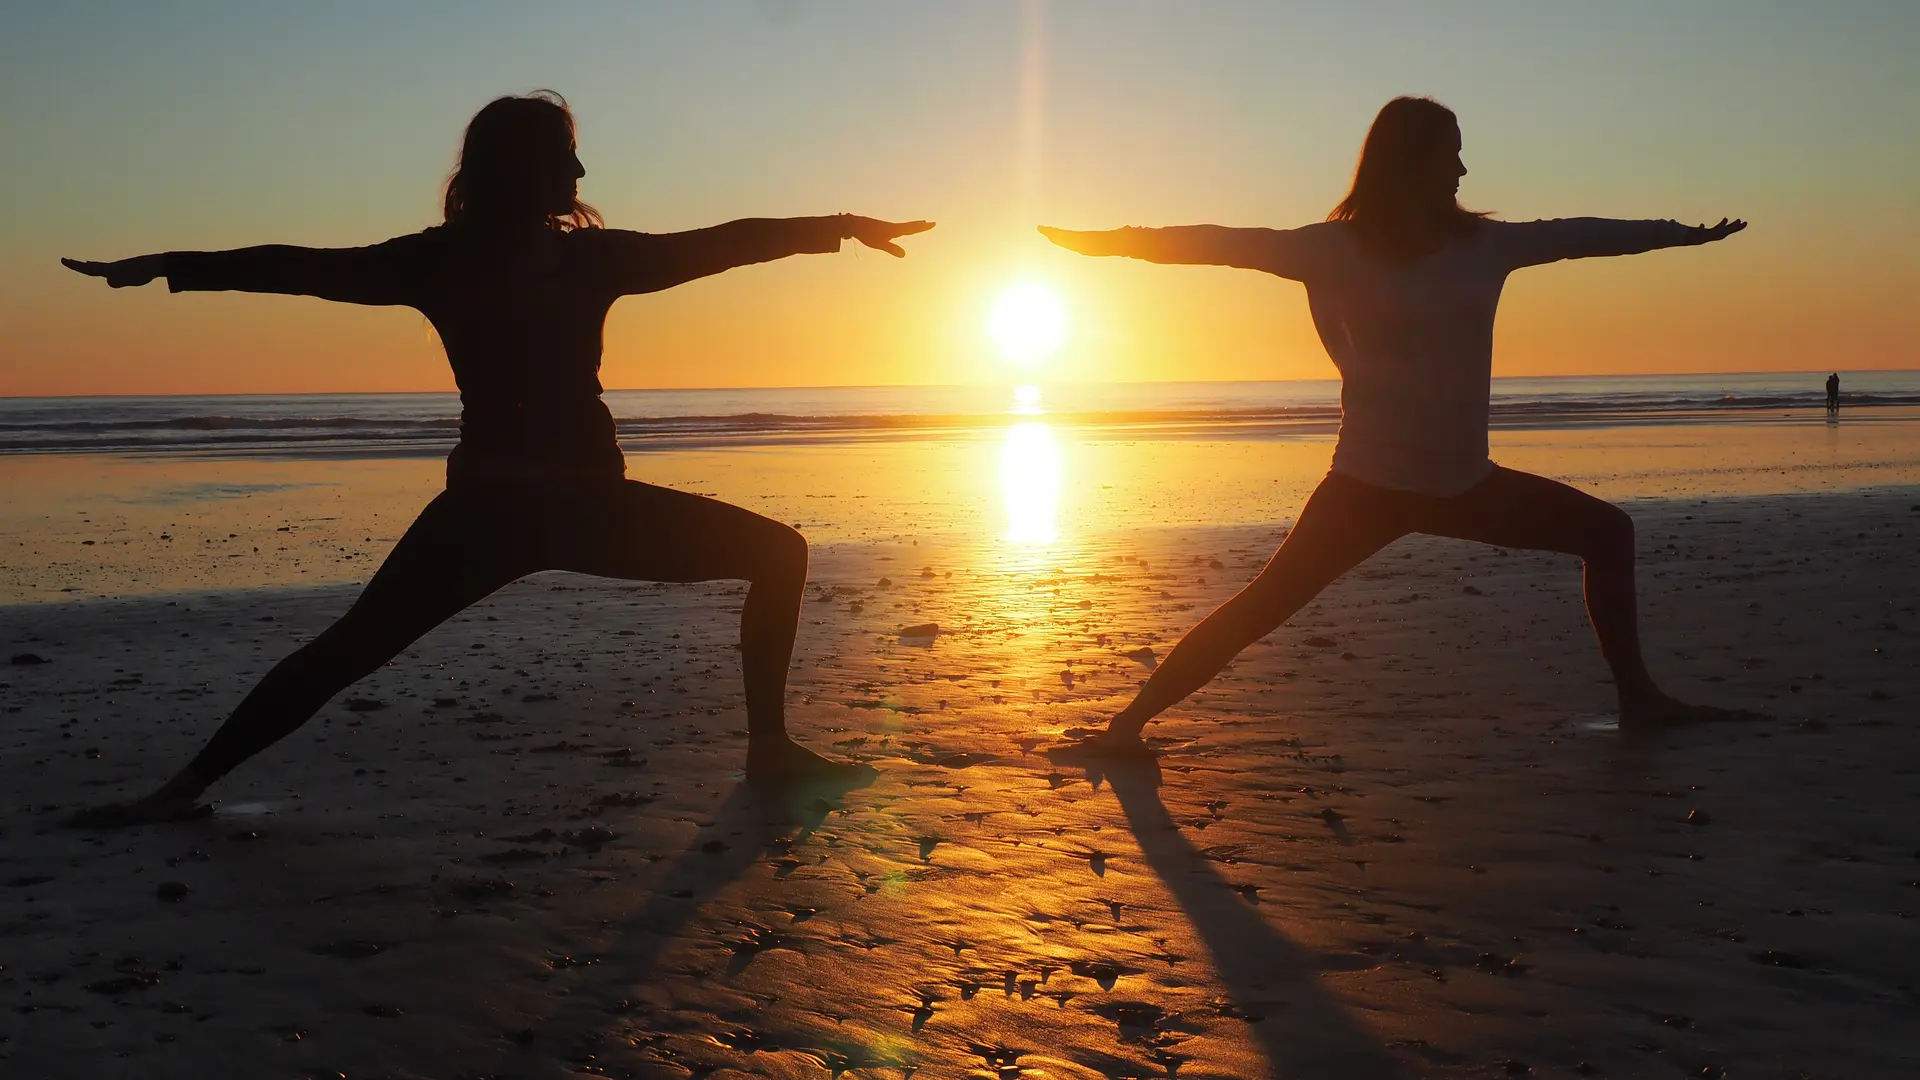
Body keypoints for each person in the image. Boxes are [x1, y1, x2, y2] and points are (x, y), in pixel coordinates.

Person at [61, 91, 931, 825]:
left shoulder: (545, 258)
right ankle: (183, 789)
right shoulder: (476, 261)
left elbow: (722, 241)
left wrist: (843, 226)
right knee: (347, 650)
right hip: (518, 512)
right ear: (524, 166)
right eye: (568, 157)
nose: (582, 176)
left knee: (777, 552)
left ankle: (771, 752)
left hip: (550, 507)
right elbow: (301, 268)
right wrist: (174, 265)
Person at [1041, 95, 1754, 759]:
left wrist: (1679, 236)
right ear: (1408, 162)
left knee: (1609, 533)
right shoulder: (1329, 249)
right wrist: (1106, 243)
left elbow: (1582, 236)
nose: (1463, 170)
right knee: (1261, 605)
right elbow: (1217, 242)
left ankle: (1640, 702)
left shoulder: (1486, 246)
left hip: (1464, 485)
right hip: (1366, 489)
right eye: (1450, 154)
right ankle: (1125, 728)